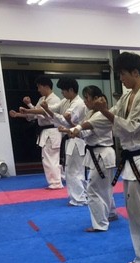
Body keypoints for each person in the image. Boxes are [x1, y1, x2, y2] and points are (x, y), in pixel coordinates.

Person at [92, 51, 140, 263]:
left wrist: (105, 112)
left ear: (135, 72)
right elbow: (110, 117)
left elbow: (131, 127)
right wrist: (81, 126)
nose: (121, 79)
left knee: (139, 210)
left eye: (123, 74)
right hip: (134, 160)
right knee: (138, 207)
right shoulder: (127, 96)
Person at [60, 85, 118, 232]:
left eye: (87, 98)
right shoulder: (92, 113)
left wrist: (74, 129)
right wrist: (70, 129)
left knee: (93, 189)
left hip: (101, 154)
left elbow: (85, 128)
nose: (85, 101)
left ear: (96, 99)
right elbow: (84, 132)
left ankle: (100, 224)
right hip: (98, 154)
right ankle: (111, 213)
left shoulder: (101, 114)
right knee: (104, 187)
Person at [40, 76, 88, 206]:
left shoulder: (78, 103)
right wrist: (45, 108)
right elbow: (54, 108)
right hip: (70, 138)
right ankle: (81, 195)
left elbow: (66, 120)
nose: (61, 93)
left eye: (63, 90)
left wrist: (47, 110)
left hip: (78, 139)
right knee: (73, 170)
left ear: (71, 90)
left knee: (74, 170)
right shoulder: (66, 101)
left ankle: (79, 198)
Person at [9, 75, 63, 190]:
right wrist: (18, 114)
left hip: (52, 130)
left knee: (51, 158)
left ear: (46, 86)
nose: (38, 90)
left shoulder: (55, 99)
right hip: (45, 131)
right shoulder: (42, 99)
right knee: (47, 158)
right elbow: (35, 114)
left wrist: (27, 109)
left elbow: (43, 112)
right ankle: (56, 180)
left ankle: (56, 182)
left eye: (39, 87)